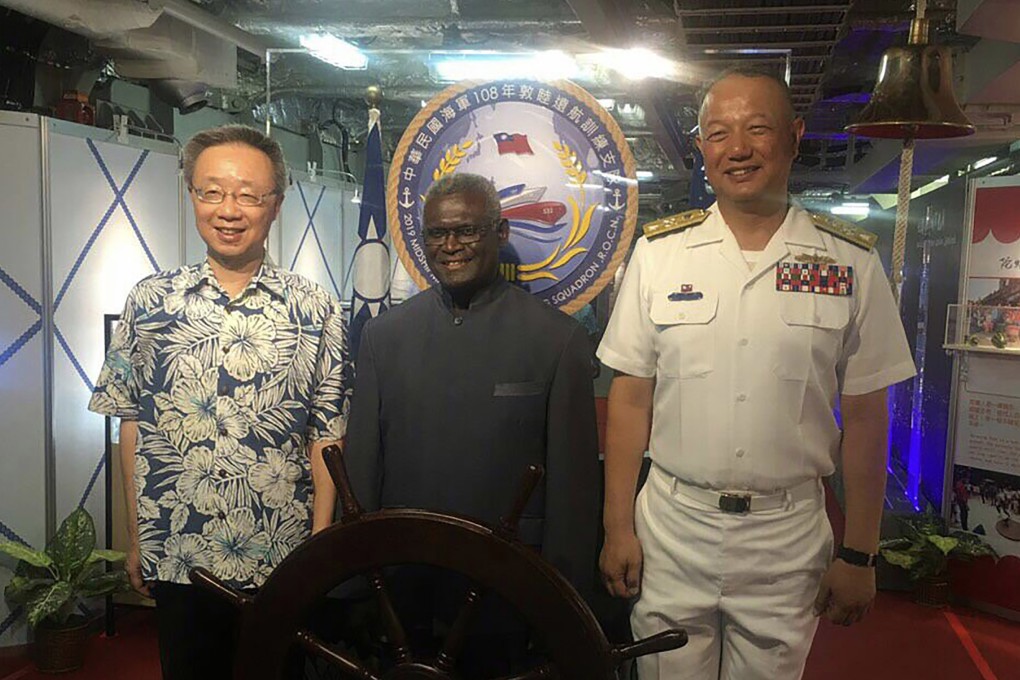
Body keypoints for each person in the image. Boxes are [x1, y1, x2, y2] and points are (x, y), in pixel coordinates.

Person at [596, 67, 916, 679]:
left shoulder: (847, 262)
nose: (737, 148)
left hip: (787, 539)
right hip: (673, 529)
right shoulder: (659, 255)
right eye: (718, 133)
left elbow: (870, 415)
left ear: (794, 137)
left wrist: (861, 553)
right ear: (700, 148)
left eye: (757, 129)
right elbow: (631, 398)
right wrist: (617, 527)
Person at [89, 125, 349, 680]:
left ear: (274, 205)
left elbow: (326, 435)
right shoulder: (150, 301)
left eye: (249, 195)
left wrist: (319, 553)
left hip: (281, 554)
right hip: (179, 553)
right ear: (192, 197)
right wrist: (137, 539)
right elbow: (131, 426)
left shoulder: (314, 307)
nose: (229, 210)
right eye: (212, 192)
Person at [344, 172, 600, 674]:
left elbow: (574, 491)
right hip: (404, 584)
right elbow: (362, 466)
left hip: (509, 588)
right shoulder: (384, 336)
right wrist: (354, 582)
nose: (451, 246)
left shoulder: (557, 340)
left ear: (500, 233)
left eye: (468, 231)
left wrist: (563, 601)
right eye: (437, 234)